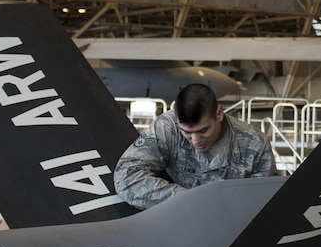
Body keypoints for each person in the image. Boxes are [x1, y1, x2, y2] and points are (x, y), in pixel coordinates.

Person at [114, 83, 274, 208]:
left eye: (203, 130)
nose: (196, 140)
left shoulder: (256, 145)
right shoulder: (168, 128)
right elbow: (126, 175)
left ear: (219, 114)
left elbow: (263, 204)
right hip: (175, 218)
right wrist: (187, 200)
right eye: (187, 132)